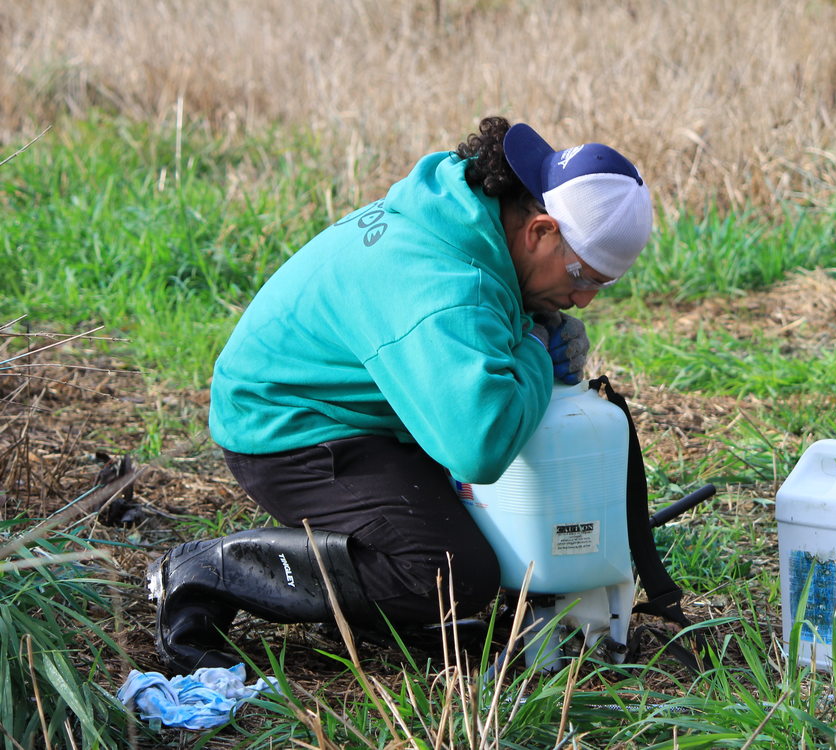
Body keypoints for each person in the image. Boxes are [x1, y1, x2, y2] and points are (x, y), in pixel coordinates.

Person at [148, 116, 654, 673]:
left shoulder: (472, 220)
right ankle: (211, 569)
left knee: (479, 530)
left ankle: (380, 592)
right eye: (583, 276)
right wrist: (534, 346)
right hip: (287, 427)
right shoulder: (445, 288)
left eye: (600, 286)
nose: (582, 301)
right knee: (451, 574)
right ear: (539, 230)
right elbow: (480, 448)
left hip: (366, 412)